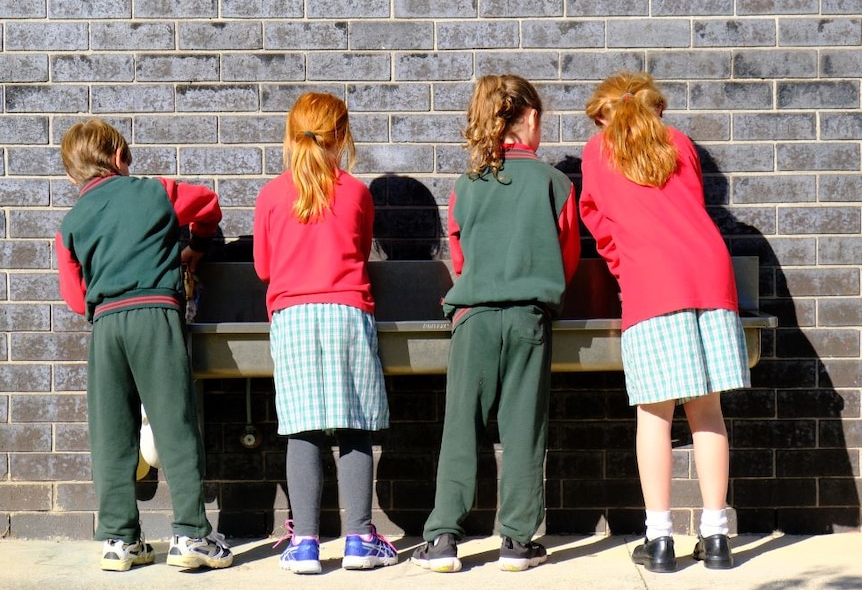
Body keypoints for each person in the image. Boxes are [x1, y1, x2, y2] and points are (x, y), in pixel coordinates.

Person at [579, 72, 751, 572]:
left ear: (604, 112)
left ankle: (660, 541)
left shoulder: (598, 151)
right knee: (708, 411)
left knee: (654, 415)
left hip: (654, 282)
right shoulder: (677, 141)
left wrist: (623, 264)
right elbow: (691, 205)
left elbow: (598, 221)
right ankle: (716, 538)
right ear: (657, 107)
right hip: (711, 275)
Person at [411, 74, 580, 573]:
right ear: (529, 119)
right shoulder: (556, 183)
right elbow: (566, 257)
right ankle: (516, 542)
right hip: (529, 316)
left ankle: (443, 538)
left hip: (474, 318)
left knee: (460, 427)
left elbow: (459, 258)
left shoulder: (466, 184)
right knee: (525, 428)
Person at [55, 118, 233, 572]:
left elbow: (76, 299)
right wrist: (196, 244)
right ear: (119, 158)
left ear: (73, 174)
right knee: (174, 423)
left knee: (112, 433)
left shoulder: (69, 223)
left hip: (106, 325)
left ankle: (119, 540)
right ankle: (191, 536)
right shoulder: (156, 191)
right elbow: (208, 203)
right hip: (156, 314)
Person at [253, 92, 397, 574]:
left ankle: (306, 544)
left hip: (293, 318)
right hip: (346, 313)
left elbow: (262, 267)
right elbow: (359, 249)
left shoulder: (272, 194)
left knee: (302, 429)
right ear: (342, 136)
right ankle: (359, 538)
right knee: (354, 426)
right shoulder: (356, 192)